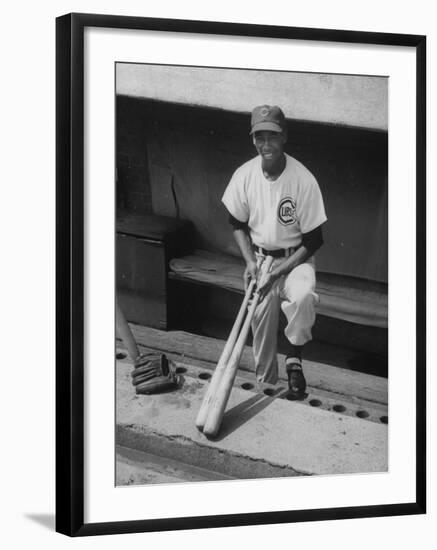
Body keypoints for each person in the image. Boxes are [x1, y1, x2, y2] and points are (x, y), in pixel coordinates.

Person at [222, 105, 327, 398]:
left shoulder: (302, 179)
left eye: (272, 136)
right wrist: (250, 262)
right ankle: (266, 386)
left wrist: (279, 271)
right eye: (259, 137)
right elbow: (236, 224)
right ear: (253, 139)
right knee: (260, 325)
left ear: (284, 138)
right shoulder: (244, 175)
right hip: (260, 259)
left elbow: (315, 239)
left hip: (296, 258)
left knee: (303, 295)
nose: (265, 144)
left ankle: (294, 359)